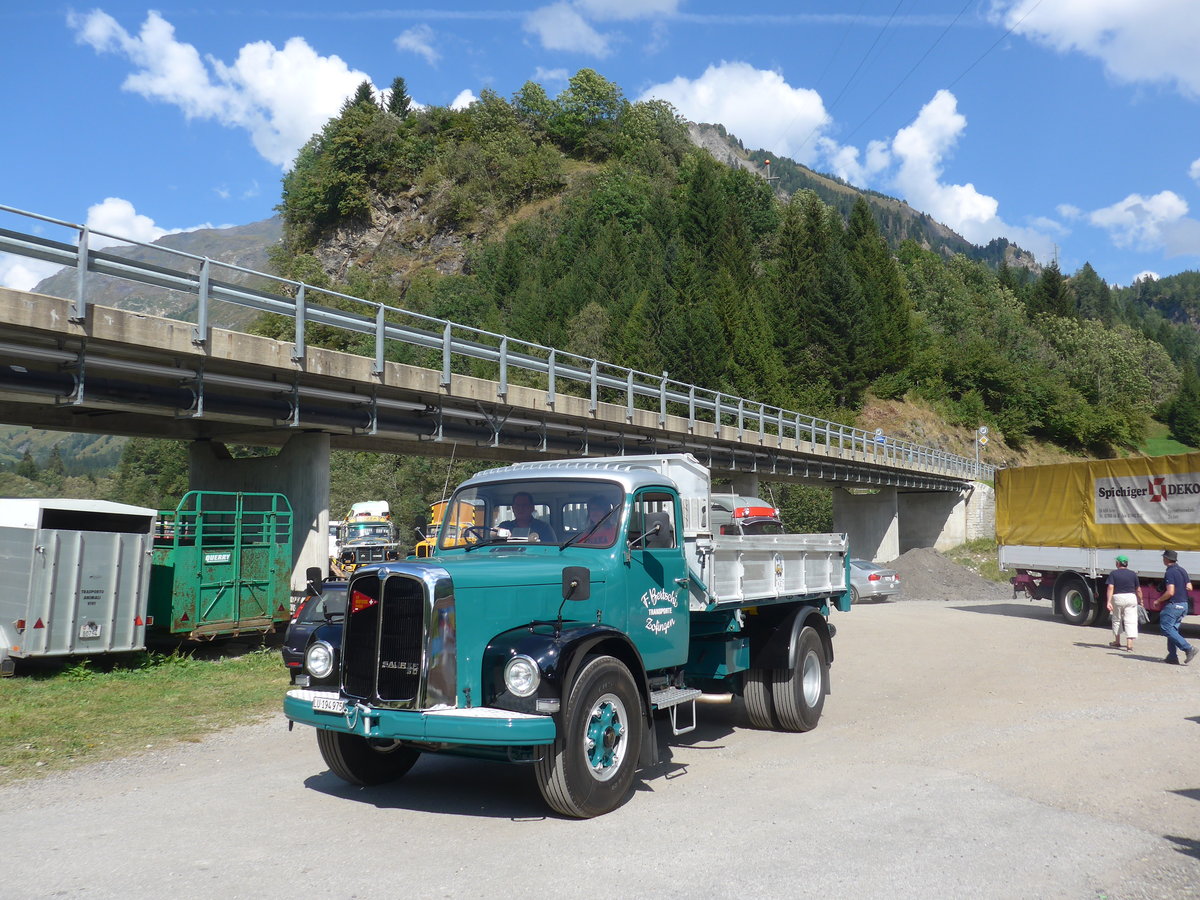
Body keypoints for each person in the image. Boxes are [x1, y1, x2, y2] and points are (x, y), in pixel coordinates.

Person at [1158, 549, 1196, 665]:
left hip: (1174, 605)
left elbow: (1170, 592)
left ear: (1166, 559)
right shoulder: (1182, 570)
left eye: (1163, 557)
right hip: (1184, 604)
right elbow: (1189, 587)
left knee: (1166, 628)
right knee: (1173, 630)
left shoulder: (1170, 572)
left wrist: (1158, 600)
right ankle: (1172, 657)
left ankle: (1188, 648)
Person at [1105, 554, 1142, 652]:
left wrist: (1108, 601)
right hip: (1131, 597)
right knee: (1131, 620)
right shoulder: (1133, 574)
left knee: (1117, 619)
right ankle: (1129, 645)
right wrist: (1140, 600)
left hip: (1118, 598)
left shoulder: (1113, 574)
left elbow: (1110, 587)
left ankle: (1117, 641)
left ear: (1117, 563)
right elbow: (1138, 589)